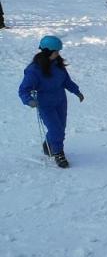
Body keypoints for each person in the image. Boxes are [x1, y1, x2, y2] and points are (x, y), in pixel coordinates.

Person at [18, 35, 84, 168]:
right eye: (56, 52)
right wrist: (29, 100)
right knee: (56, 130)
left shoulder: (58, 65)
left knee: (60, 128)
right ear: (48, 51)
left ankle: (49, 144)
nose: (58, 54)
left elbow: (66, 81)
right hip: (45, 104)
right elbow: (23, 90)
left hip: (60, 101)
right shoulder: (34, 70)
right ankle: (58, 153)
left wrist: (76, 91)